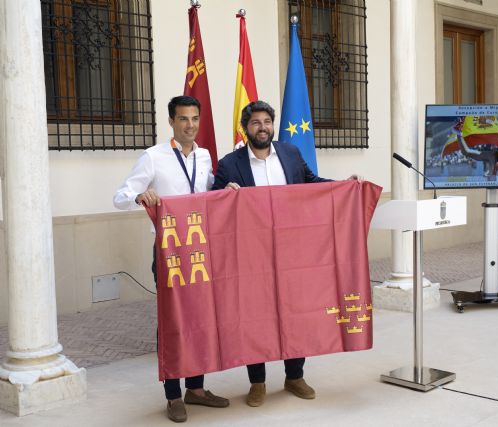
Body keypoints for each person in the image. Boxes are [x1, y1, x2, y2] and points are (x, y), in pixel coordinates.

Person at [212, 100, 360, 407]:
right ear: (245, 128)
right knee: (255, 315)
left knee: (296, 310)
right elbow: (214, 202)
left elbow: (312, 185)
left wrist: (343, 187)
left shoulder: (290, 154)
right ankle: (257, 383)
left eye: (267, 121)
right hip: (252, 255)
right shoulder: (229, 163)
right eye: (255, 122)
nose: (262, 127)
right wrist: (225, 195)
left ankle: (295, 376)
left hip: (293, 251)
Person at [113, 95, 229, 423]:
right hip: (167, 252)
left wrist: (226, 190)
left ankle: (197, 388)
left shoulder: (205, 156)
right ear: (171, 122)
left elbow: (207, 195)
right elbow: (119, 196)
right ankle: (173, 394)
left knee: (201, 319)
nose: (190, 125)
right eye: (183, 119)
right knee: (173, 321)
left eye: (194, 119)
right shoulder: (153, 157)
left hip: (199, 250)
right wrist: (139, 195)